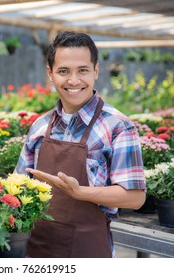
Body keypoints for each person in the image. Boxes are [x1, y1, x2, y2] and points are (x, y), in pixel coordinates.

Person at [15, 31, 146, 258]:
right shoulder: (39, 126)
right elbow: (18, 185)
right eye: (63, 71)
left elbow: (134, 198)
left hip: (88, 251)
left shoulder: (118, 127)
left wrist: (80, 192)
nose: (74, 81)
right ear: (50, 73)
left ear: (96, 71)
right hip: (37, 249)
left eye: (83, 70)